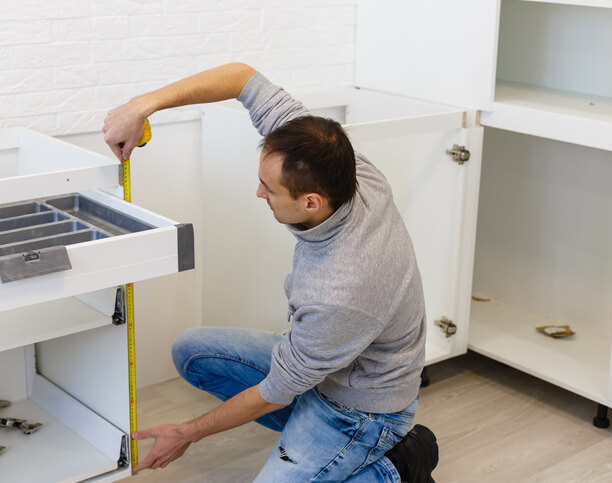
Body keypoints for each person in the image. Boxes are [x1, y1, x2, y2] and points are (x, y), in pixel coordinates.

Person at [103, 62, 439, 482]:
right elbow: (242, 77)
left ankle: (397, 462)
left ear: (312, 202)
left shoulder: (342, 288)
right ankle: (311, 434)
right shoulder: (347, 170)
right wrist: (142, 105)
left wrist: (186, 432)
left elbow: (272, 394)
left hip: (361, 407)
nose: (258, 191)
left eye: (269, 187)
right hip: (327, 361)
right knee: (193, 351)